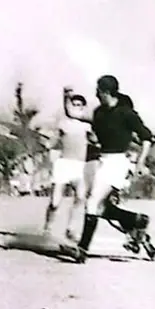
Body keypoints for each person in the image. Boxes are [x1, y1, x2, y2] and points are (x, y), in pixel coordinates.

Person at [59, 75, 155, 263]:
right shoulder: (99, 113)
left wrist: (140, 163)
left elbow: (146, 138)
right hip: (104, 162)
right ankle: (137, 220)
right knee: (101, 208)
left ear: (106, 92)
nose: (95, 94)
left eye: (98, 90)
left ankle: (82, 250)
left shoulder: (126, 113)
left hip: (118, 163)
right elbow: (73, 113)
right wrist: (66, 96)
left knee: (93, 202)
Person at [43, 94, 91, 241]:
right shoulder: (63, 124)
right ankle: (48, 228)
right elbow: (52, 142)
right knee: (55, 202)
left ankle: (71, 229)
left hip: (79, 165)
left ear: (83, 108)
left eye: (79, 105)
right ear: (69, 106)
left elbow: (96, 141)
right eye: (73, 104)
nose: (76, 107)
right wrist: (46, 144)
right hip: (64, 164)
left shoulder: (87, 126)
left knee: (80, 197)